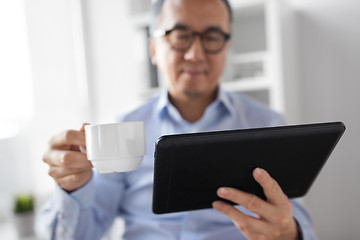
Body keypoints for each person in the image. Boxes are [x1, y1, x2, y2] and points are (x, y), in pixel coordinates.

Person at [38, 0, 318, 239]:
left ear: (227, 46)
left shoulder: (268, 125)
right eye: (179, 35)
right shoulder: (120, 132)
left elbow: (296, 219)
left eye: (212, 37)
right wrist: (72, 189)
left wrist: (291, 233)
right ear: (152, 48)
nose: (195, 55)